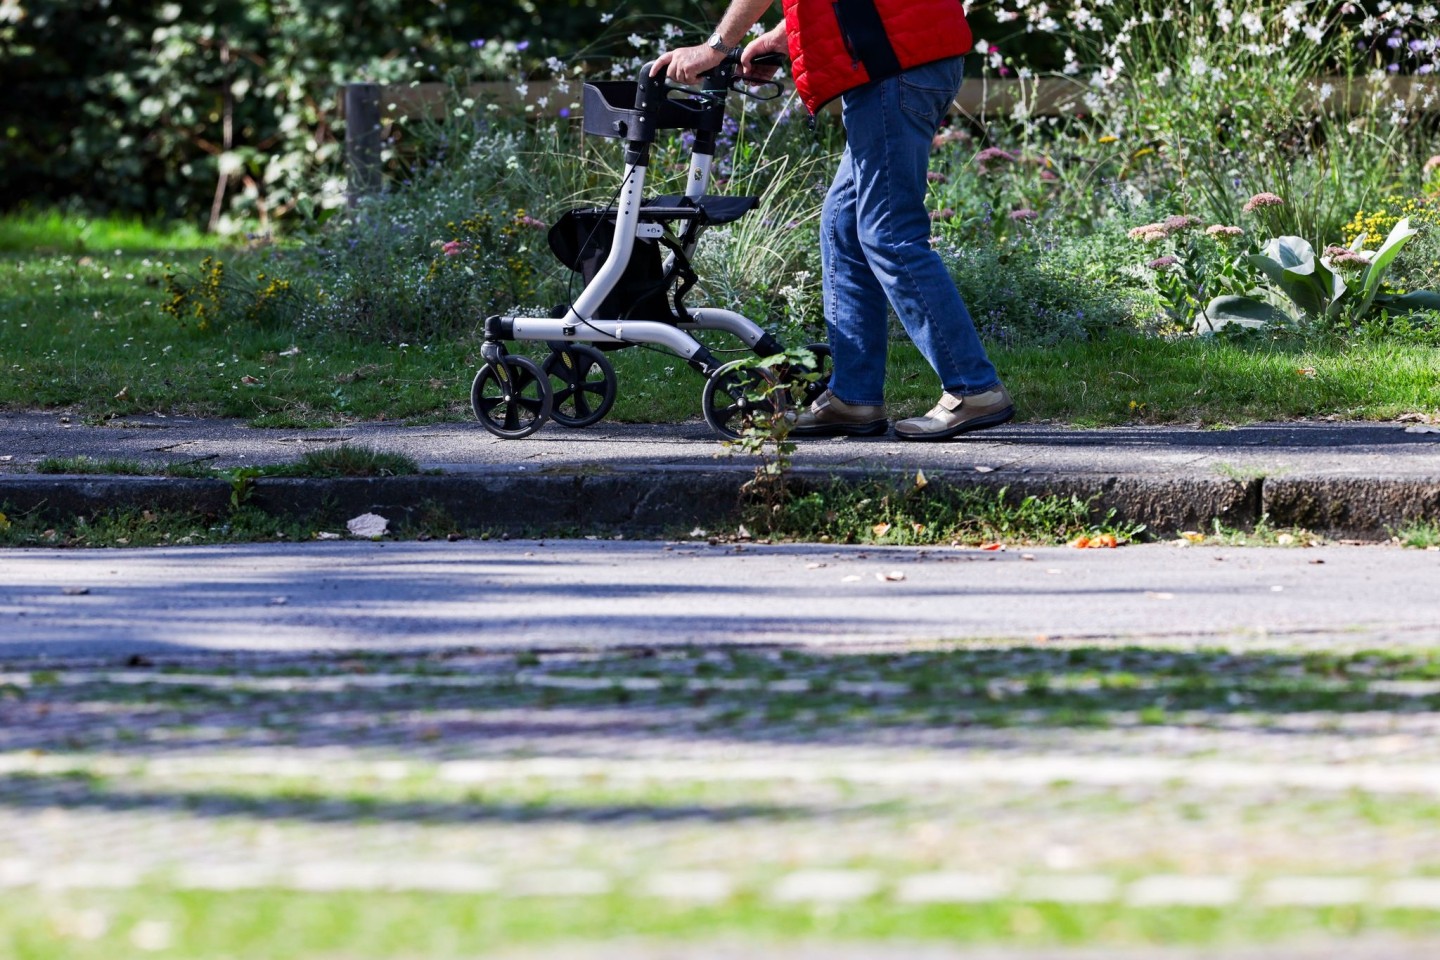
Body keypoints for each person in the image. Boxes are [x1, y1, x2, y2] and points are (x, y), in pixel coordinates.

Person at [652, 0, 1013, 440]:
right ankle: (854, 399)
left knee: (890, 235)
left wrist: (715, 45)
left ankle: (973, 387)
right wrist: (781, 38)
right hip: (901, 59)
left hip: (892, 66)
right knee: (843, 227)